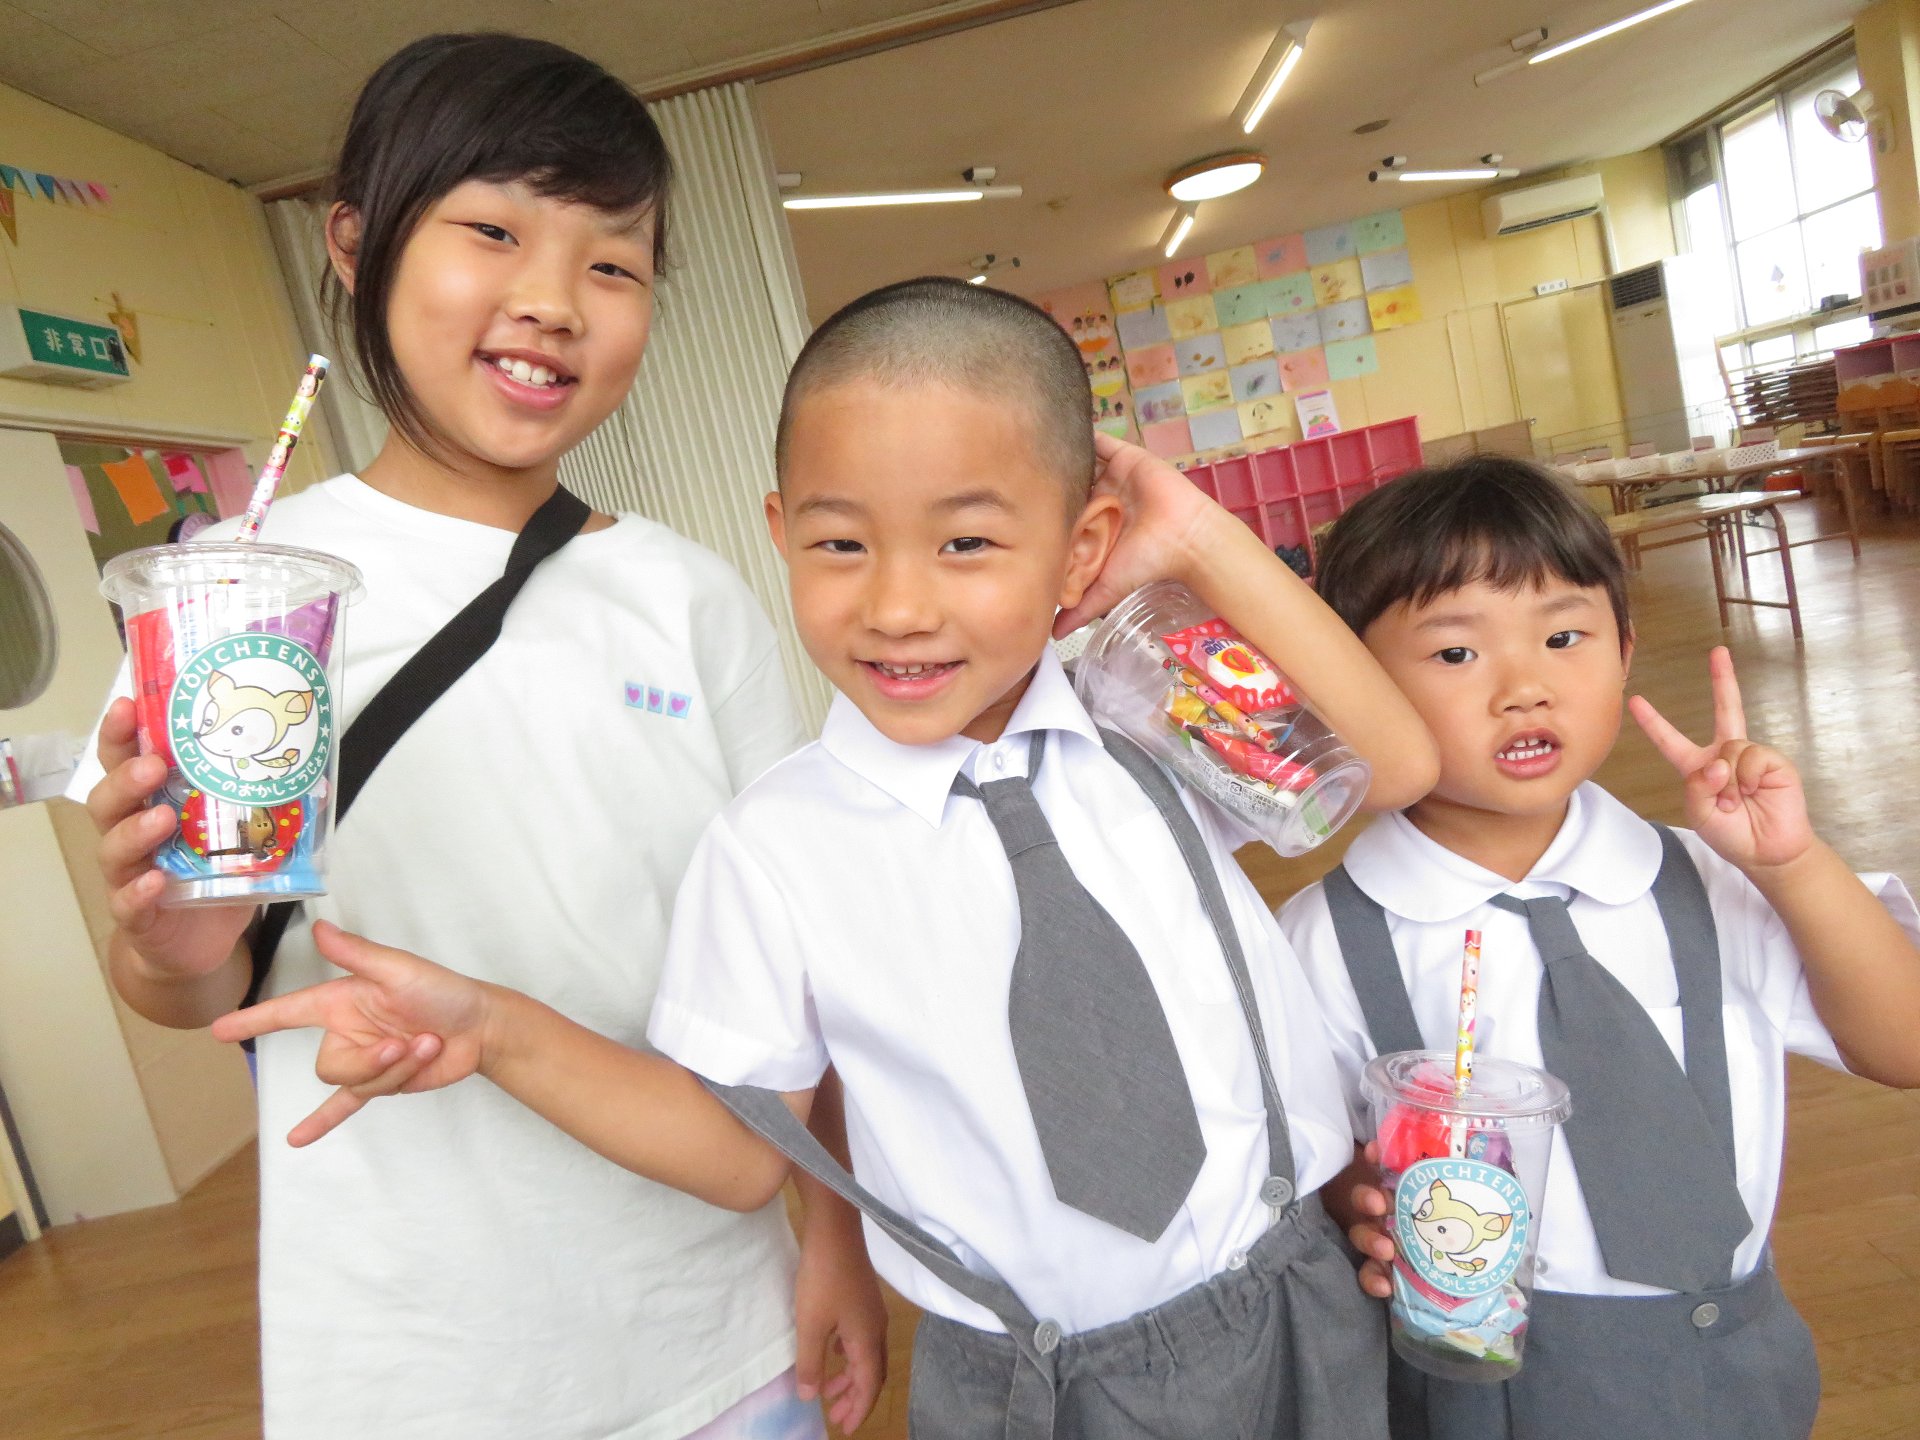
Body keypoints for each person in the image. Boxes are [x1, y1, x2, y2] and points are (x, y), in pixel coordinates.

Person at [211, 277, 1441, 1438]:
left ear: (1082, 549)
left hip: (1300, 1298)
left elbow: (1391, 766)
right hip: (1029, 1379)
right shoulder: (772, 847)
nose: (898, 607)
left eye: (966, 546)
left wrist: (1196, 540)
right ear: (779, 535)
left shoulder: (1148, 712)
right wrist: (498, 1030)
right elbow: (743, 1151)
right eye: (841, 546)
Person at [71, 33, 884, 1440]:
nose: (553, 301)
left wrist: (838, 1238)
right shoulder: (236, 608)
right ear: (358, 245)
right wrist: (169, 949)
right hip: (406, 1358)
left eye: (613, 263)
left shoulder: (690, 599)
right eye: (493, 230)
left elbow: (796, 973)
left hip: (711, 1329)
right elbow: (194, 992)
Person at [1274, 457, 1920, 1440]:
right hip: (1473, 1390)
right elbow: (1311, 1160)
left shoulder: (1714, 881)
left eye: (1565, 636)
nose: (1524, 687)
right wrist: (1350, 1202)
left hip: (1740, 1365)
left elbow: (1905, 1044)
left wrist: (1791, 866)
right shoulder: (1324, 938)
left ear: (1624, 649)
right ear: (1356, 690)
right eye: (1456, 655)